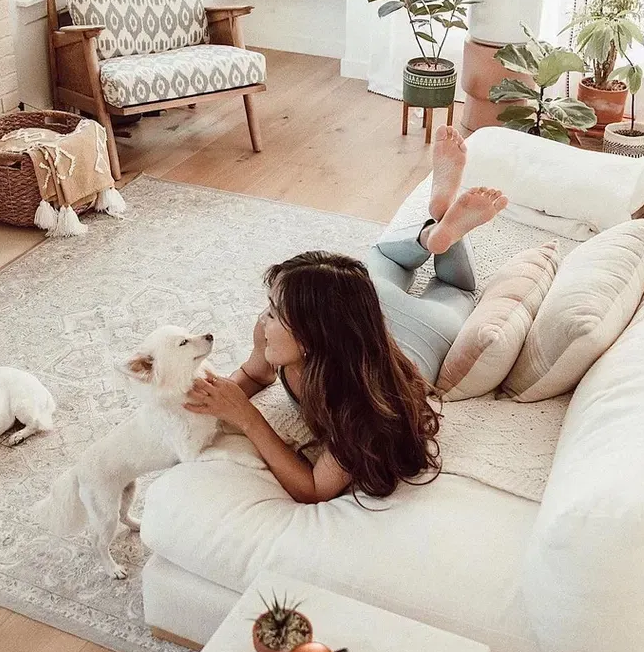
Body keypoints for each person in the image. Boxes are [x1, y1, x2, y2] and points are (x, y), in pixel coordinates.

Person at [184, 127, 507, 505]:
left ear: (309, 336)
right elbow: (256, 374)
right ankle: (436, 231)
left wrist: (247, 417)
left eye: (274, 313)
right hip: (372, 302)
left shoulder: (362, 403)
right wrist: (214, 397)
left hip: (423, 332)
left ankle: (439, 230)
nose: (263, 318)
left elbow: (314, 488)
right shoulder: (293, 330)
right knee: (380, 258)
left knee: (456, 288)